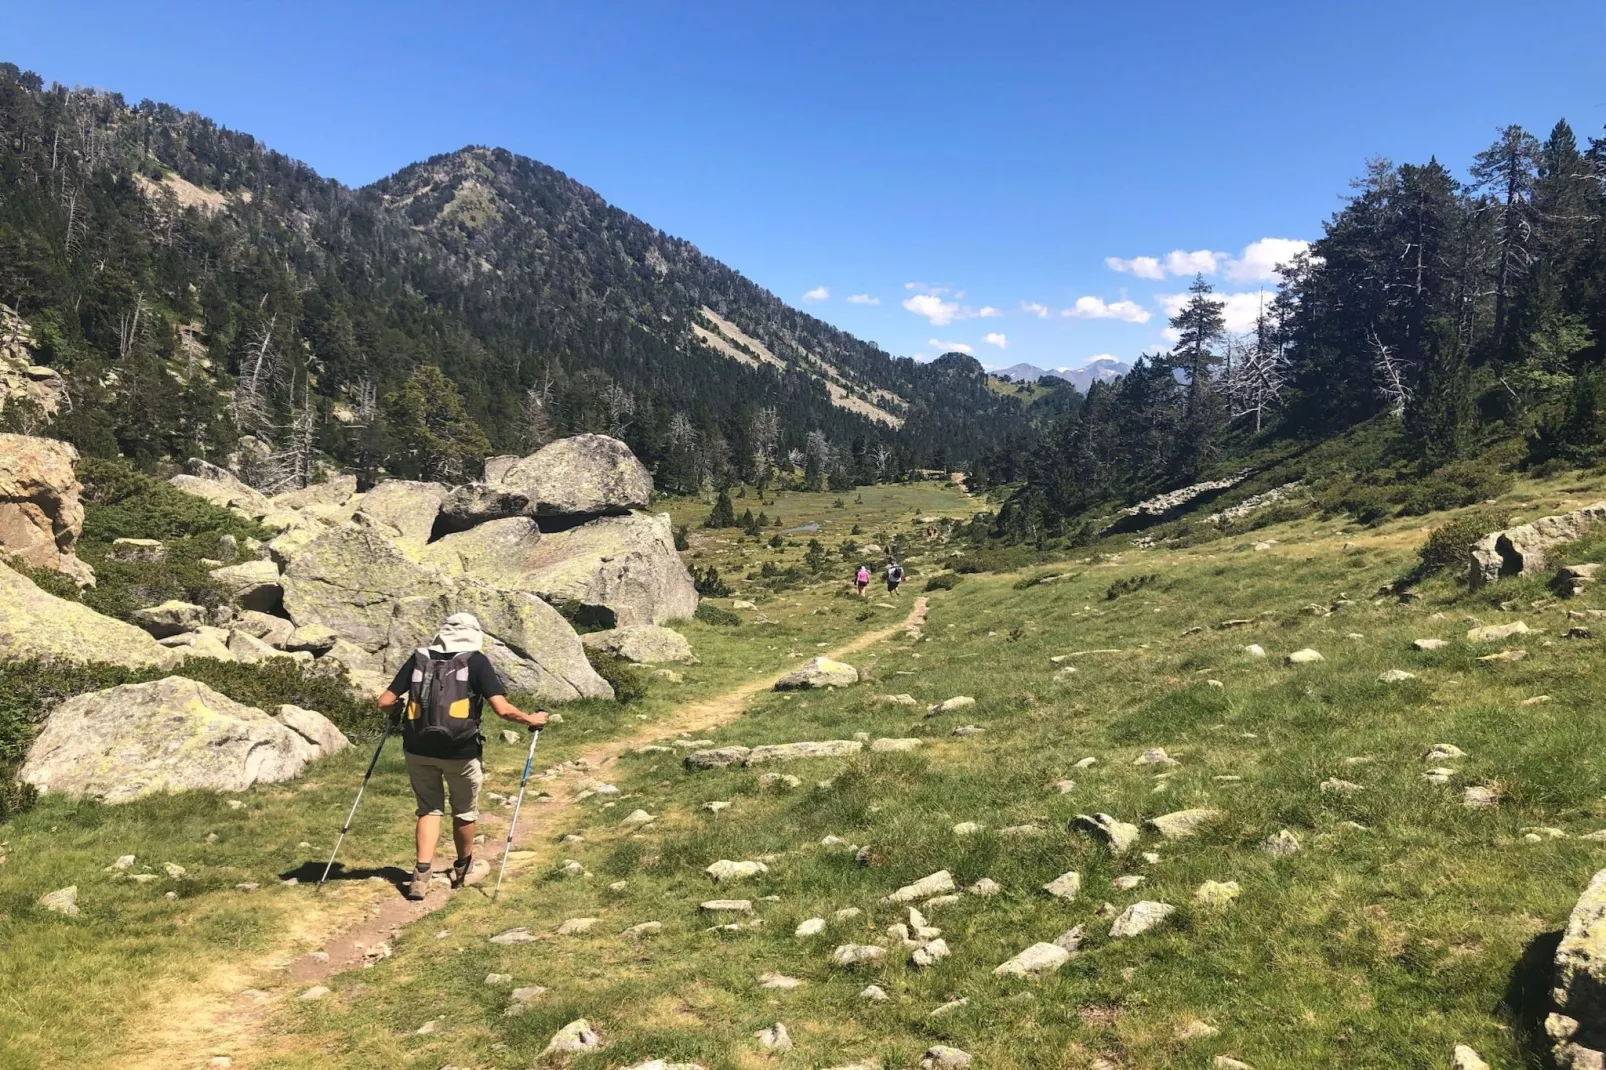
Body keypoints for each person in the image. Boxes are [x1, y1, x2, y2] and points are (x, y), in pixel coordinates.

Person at [378, 612, 548, 901]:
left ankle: (420, 875)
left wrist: (396, 714)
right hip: (461, 750)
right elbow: (503, 709)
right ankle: (463, 868)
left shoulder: (419, 657)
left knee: (429, 809)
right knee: (464, 810)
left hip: (417, 748)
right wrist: (531, 718)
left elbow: (384, 701)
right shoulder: (475, 661)